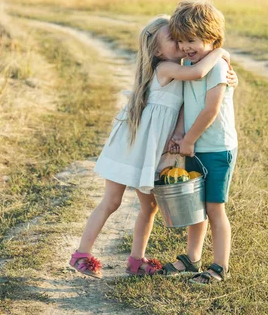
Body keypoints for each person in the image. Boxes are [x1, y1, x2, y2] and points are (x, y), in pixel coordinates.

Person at [69, 15, 237, 278]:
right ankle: (81, 253)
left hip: (151, 150)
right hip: (131, 146)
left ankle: (136, 259)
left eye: (184, 38)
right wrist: (220, 52)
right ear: (157, 50)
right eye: (175, 39)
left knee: (150, 207)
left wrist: (229, 78)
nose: (182, 45)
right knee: (111, 201)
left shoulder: (179, 69)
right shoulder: (166, 69)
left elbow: (194, 94)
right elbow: (199, 72)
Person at [162, 0, 238, 285]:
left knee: (214, 207)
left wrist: (190, 139)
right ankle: (192, 258)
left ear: (211, 38)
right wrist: (180, 134)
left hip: (217, 147)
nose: (184, 48)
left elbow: (211, 109)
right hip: (195, 144)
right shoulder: (191, 64)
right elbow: (186, 104)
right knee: (195, 205)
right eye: (180, 42)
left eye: (191, 40)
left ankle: (219, 267)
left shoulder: (217, 66)